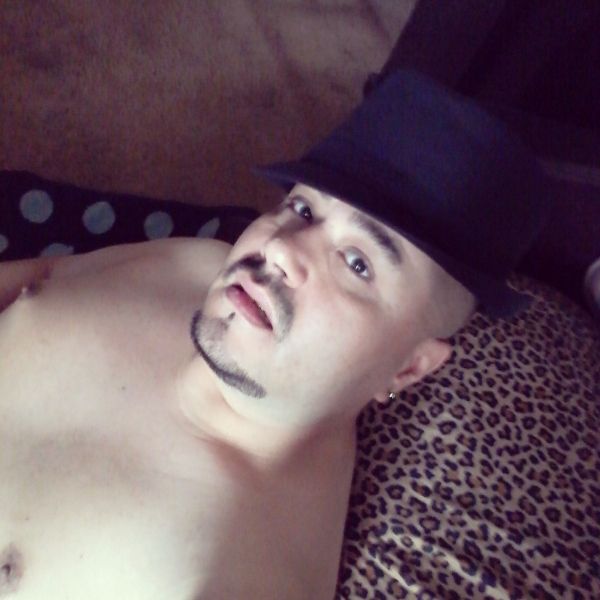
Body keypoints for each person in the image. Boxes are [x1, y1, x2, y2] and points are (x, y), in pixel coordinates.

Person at [0, 70, 546, 599]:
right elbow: (37, 277)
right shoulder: (201, 262)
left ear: (409, 367)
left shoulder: (226, 577)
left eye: (357, 263)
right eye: (304, 208)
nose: (281, 247)